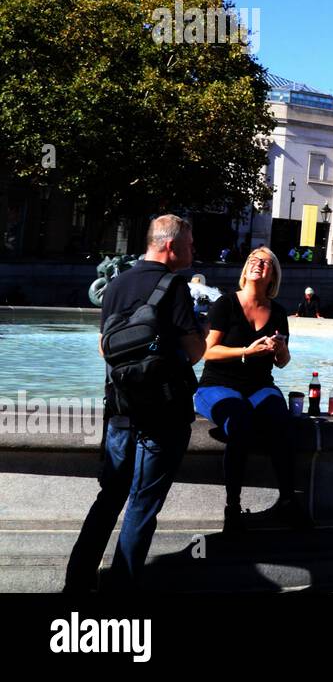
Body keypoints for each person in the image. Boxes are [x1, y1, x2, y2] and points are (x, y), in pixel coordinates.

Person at [65, 216, 205, 592]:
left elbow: (103, 348)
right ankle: (121, 587)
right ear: (171, 246)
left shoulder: (115, 284)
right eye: (190, 245)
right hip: (165, 413)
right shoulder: (174, 286)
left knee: (109, 497)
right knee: (143, 504)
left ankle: (76, 582)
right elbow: (194, 352)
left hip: (121, 410)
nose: (193, 251)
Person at [195, 247, 308, 532]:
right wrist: (246, 351)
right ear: (246, 270)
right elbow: (207, 352)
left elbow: (282, 362)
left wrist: (281, 350)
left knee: (281, 421)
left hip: (259, 386)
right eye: (254, 261)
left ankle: (286, 500)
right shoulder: (225, 304)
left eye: (266, 263)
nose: (259, 265)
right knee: (241, 420)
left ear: (273, 275)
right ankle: (233, 506)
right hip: (218, 384)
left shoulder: (278, 312)